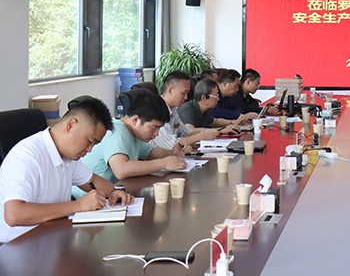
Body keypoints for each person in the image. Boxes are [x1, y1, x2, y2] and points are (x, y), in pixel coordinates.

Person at [0, 97, 134, 243]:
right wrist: (78, 205)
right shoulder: (27, 157)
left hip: (52, 237)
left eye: (94, 145)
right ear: (71, 125)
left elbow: (91, 180)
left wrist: (114, 192)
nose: (90, 149)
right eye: (89, 141)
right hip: (18, 245)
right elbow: (14, 215)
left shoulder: (68, 156)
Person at [78, 90, 186, 184]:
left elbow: (151, 152)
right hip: (89, 195)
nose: (156, 133)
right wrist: (163, 163)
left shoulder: (134, 133)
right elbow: (121, 170)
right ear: (135, 120)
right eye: (154, 128)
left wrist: (172, 153)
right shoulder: (116, 132)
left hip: (113, 191)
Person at [153, 71, 219, 150]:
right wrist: (200, 136)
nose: (186, 97)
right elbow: (172, 145)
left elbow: (185, 132)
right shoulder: (157, 110)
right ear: (170, 90)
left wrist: (212, 132)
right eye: (183, 93)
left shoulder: (173, 110)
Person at [178, 78, 248, 132]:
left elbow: (215, 122)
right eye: (216, 96)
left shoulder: (204, 110)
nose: (218, 99)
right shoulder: (187, 109)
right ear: (204, 97)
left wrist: (234, 122)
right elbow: (190, 130)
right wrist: (220, 131)